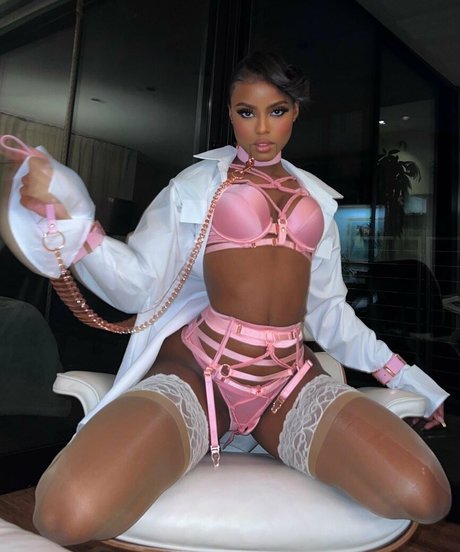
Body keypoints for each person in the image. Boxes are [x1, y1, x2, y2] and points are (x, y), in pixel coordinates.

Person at [2, 51, 451, 546]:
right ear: (231, 114)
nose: (262, 128)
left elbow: (328, 312)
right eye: (246, 111)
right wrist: (74, 225)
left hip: (287, 379)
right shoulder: (195, 187)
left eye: (276, 111)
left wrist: (406, 378)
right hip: (201, 371)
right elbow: (139, 284)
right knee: (65, 512)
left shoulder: (318, 201)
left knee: (426, 494)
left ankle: (262, 437)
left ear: (295, 112)